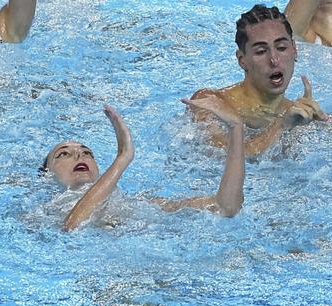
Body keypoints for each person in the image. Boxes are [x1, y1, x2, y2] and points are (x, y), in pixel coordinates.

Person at [43, 97, 245, 230]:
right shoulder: (43, 213)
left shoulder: (135, 205)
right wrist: (122, 158)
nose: (80, 156)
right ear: (46, 175)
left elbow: (225, 208)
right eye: (64, 154)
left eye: (87, 153)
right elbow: (72, 228)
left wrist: (236, 129)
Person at [187, 4, 327, 156]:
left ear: (294, 50)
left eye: (281, 48)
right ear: (242, 60)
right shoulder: (211, 102)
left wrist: (321, 123)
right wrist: (280, 126)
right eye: (261, 51)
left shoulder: (296, 114)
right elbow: (222, 158)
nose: (274, 59)